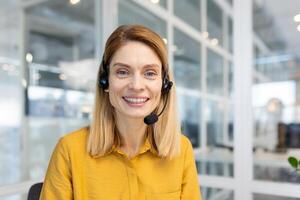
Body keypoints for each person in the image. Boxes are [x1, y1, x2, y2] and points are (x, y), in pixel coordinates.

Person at [40, 24, 202, 200]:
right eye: (123, 72)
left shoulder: (181, 149)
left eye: (149, 73)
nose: (136, 86)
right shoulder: (70, 150)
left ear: (164, 85)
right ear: (105, 82)